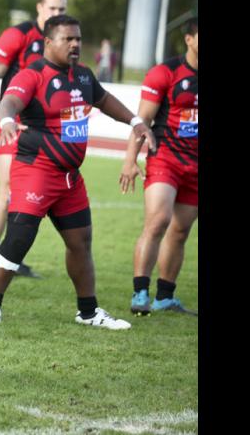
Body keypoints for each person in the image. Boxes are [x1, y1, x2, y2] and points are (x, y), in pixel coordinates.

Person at [0, 15, 155, 330]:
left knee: (81, 243)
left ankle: (88, 311)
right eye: (67, 39)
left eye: (78, 39)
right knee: (19, 238)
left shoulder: (83, 76)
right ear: (48, 42)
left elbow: (105, 100)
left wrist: (135, 121)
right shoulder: (33, 74)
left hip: (70, 178)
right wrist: (4, 121)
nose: (75, 45)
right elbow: (10, 101)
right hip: (37, 171)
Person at [0, 0, 70, 279]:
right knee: (10, 192)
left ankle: (9, 258)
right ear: (39, 7)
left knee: (27, 195)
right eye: (52, 8)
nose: (57, 13)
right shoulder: (18, 35)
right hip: (11, 124)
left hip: (44, 131)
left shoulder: (63, 41)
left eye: (62, 9)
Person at [121, 18, 198, 316]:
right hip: (165, 157)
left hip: (196, 166)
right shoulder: (166, 73)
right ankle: (140, 292)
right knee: (158, 221)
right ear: (189, 40)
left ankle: (165, 296)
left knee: (180, 231)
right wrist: (129, 161)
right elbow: (142, 121)